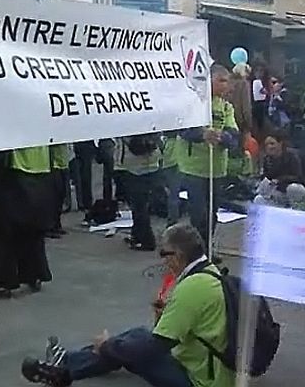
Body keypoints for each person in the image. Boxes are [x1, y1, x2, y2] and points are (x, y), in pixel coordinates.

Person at [21, 224, 234, 387]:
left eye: (163, 254)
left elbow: (154, 346)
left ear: (177, 256)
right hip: (212, 367)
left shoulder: (192, 288)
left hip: (200, 379)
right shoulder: (210, 273)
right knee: (135, 336)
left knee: (132, 346)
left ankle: (65, 368)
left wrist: (107, 346)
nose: (162, 261)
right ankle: (67, 364)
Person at [0, 146, 53, 299]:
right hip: (40, 175)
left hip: (12, 179)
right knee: (31, 232)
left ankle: (2, 282)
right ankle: (33, 275)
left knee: (0, 235)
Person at [177, 64, 240, 251]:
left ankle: (206, 248)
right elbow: (182, 129)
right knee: (199, 215)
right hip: (194, 168)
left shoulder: (226, 106)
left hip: (217, 169)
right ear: (209, 81)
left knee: (213, 214)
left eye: (227, 81)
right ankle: (197, 251)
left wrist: (222, 137)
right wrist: (202, 134)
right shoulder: (193, 102)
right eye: (221, 80)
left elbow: (234, 135)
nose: (226, 85)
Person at [115, 134, 161, 251]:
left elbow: (132, 146)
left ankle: (147, 241)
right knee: (140, 205)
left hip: (133, 167)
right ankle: (136, 236)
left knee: (139, 207)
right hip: (151, 164)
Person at [254, 130, 305, 209]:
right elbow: (266, 177)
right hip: (278, 194)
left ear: (280, 144)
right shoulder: (267, 160)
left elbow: (298, 177)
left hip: (294, 191)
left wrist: (279, 180)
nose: (269, 147)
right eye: (267, 145)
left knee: (293, 188)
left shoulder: (292, 156)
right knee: (258, 199)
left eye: (272, 144)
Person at [47, 144, 70, 238]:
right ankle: (50, 226)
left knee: (61, 196)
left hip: (64, 165)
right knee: (54, 197)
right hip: (55, 166)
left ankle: (57, 224)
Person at [159, 131, 182, 227]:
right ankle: (173, 220)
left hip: (167, 164)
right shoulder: (178, 139)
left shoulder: (164, 139)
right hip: (175, 163)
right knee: (174, 195)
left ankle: (172, 220)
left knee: (172, 194)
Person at [251, 65, 270, 141]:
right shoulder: (258, 81)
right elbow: (263, 91)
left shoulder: (254, 82)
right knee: (261, 122)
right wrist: (268, 92)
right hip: (260, 103)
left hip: (256, 103)